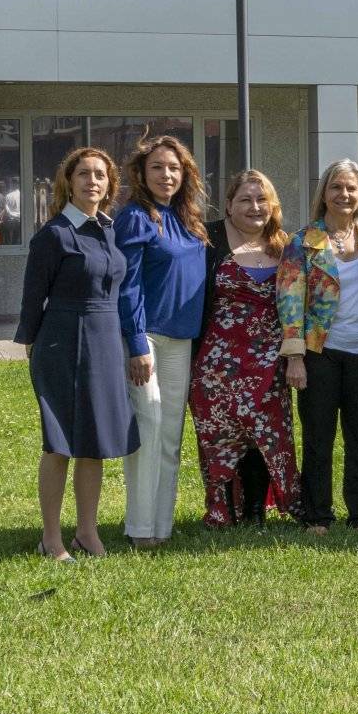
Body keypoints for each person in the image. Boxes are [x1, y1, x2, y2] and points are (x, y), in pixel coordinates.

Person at [14, 146, 143, 560]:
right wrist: (33, 346)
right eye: (84, 174)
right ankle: (50, 539)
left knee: (96, 440)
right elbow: (33, 299)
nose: (92, 181)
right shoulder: (53, 235)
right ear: (68, 182)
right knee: (60, 443)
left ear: (110, 185)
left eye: (100, 175)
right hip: (63, 342)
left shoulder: (107, 228)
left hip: (105, 342)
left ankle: (87, 533)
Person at [279, 159, 358, 534]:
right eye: (336, 188)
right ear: (324, 194)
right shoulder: (303, 242)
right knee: (318, 437)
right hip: (319, 352)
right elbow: (289, 301)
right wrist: (295, 356)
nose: (344, 194)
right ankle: (318, 515)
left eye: (351, 188)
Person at [115, 133, 211, 548]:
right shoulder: (136, 216)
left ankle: (162, 527)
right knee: (149, 424)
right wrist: (136, 343)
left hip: (182, 339)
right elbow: (127, 285)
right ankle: (139, 528)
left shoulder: (189, 220)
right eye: (157, 167)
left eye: (174, 167)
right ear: (141, 172)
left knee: (170, 433)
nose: (166, 174)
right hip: (146, 337)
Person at [189, 168, 296, 527]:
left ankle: (255, 511)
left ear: (273, 205)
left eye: (262, 199)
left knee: (265, 433)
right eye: (245, 200)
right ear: (230, 205)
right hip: (217, 361)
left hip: (271, 360)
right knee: (219, 434)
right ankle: (223, 509)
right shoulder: (208, 241)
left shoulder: (286, 244)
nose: (254, 207)